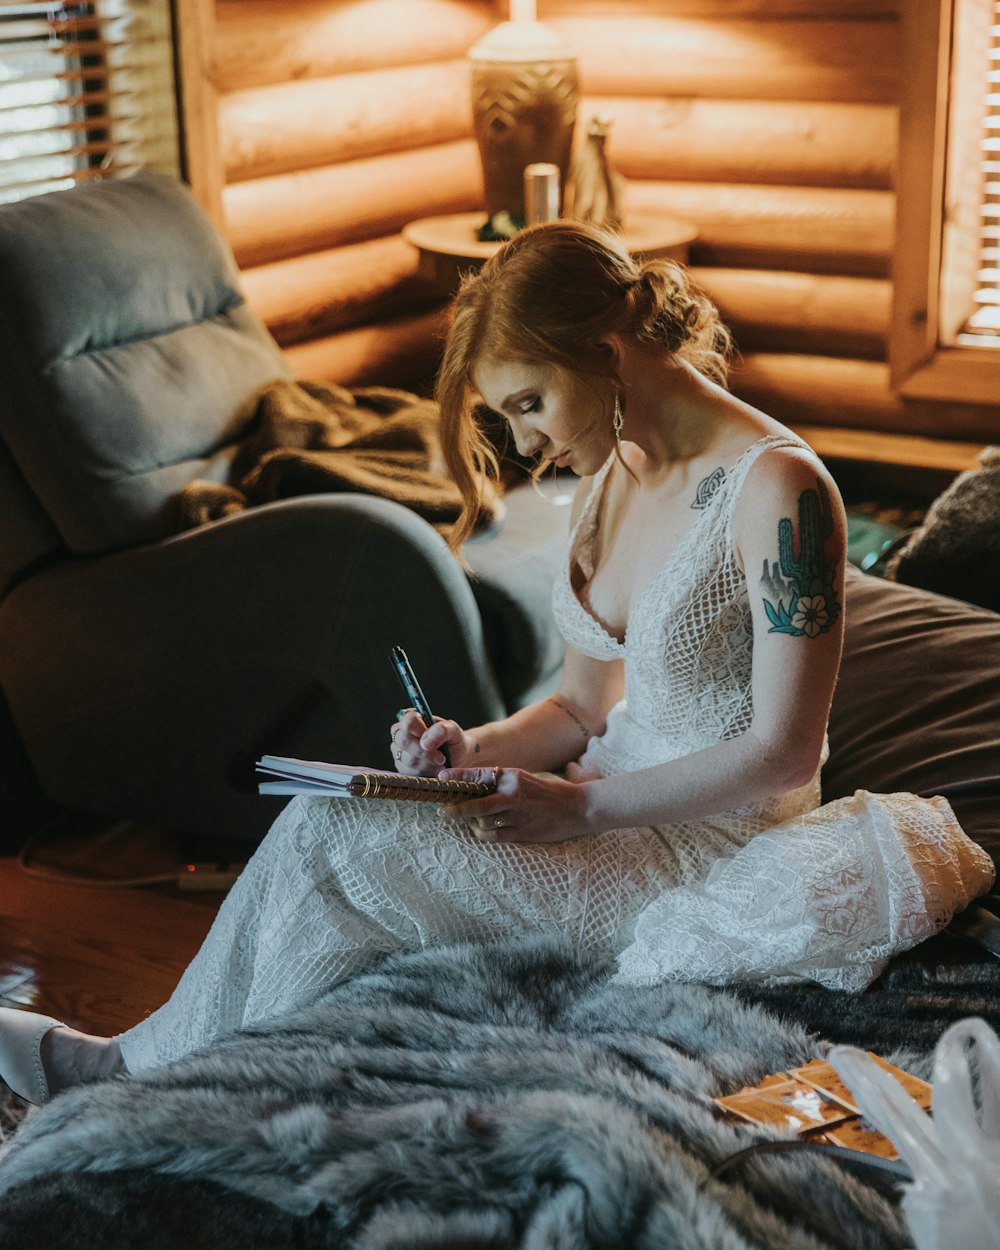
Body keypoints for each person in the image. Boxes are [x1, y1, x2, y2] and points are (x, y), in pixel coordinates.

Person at [0, 222, 992, 1105]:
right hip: (600, 817)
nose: (526, 443)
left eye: (528, 402)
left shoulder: (780, 490)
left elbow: (785, 750)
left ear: (604, 350)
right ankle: (193, 1077)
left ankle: (131, 1075)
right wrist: (465, 744)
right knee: (348, 819)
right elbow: (574, 705)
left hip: (708, 859)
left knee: (338, 839)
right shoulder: (611, 478)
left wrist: (581, 808)